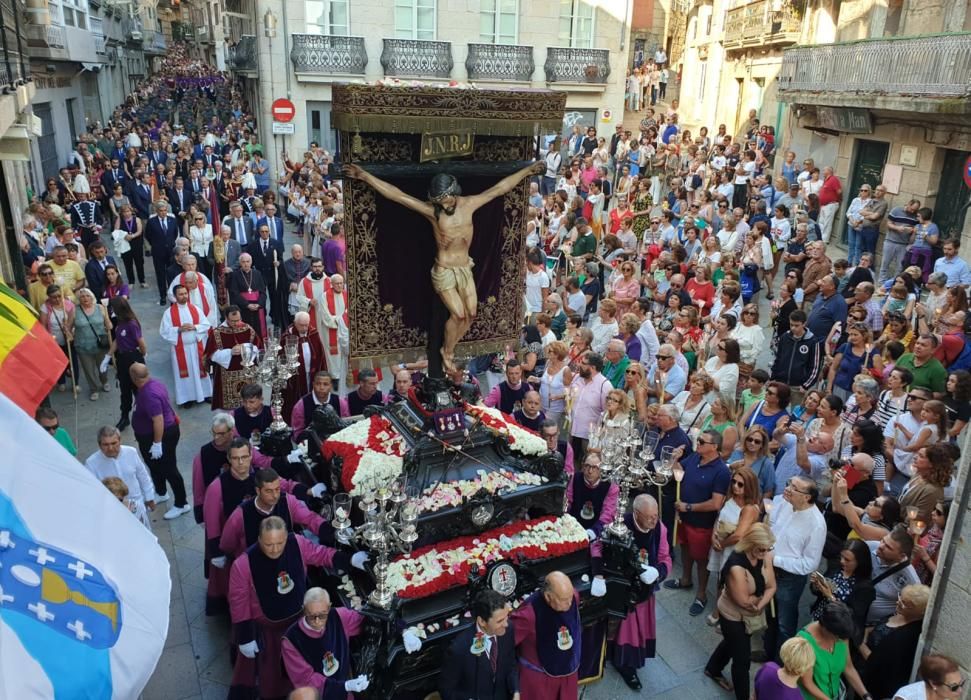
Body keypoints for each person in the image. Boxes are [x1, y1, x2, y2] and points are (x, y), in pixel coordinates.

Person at [343, 160, 545, 372]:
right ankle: (447, 351)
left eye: (446, 199)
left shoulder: (469, 203)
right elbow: (398, 196)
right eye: (438, 201)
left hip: (465, 268)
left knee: (472, 313)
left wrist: (527, 171)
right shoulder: (433, 212)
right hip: (444, 270)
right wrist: (365, 176)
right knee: (458, 314)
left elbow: (499, 189)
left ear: (454, 193)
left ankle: (451, 346)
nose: (443, 204)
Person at [227, 516, 366, 699]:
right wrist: (245, 637)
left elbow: (319, 554)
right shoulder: (243, 565)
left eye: (280, 543)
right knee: (272, 677)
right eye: (269, 544)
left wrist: (348, 560)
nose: (275, 549)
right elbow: (239, 601)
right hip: (270, 633)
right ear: (259, 539)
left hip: (302, 624)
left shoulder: (298, 544)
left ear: (287, 537)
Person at [593, 494, 671, 691]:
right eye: (649, 516)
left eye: (656, 515)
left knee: (635, 629)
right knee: (617, 627)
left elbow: (665, 558)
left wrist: (658, 572)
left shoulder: (660, 529)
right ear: (636, 514)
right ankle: (614, 659)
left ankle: (627, 663)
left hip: (643, 589)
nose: (654, 520)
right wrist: (598, 575)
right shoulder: (619, 524)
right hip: (620, 586)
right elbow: (596, 546)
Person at [704, 523, 777, 699]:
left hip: (751, 614)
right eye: (761, 549)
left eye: (768, 549)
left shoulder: (764, 554)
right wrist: (761, 599)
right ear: (751, 543)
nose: (765, 553)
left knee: (732, 642)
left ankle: (712, 668)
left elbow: (773, 586)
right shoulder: (736, 566)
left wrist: (758, 605)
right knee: (742, 660)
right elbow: (744, 601)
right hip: (733, 616)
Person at [664, 430, 731, 617]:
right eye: (698, 439)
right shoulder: (694, 458)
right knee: (685, 549)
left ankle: (701, 594)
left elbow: (716, 503)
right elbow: (679, 472)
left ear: (714, 447)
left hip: (702, 523)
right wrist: (675, 459)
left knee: (701, 559)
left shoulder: (721, 472)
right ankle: (686, 579)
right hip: (685, 518)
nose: (698, 443)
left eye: (702, 441)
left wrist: (689, 507)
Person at [761, 474, 826, 662]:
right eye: (789, 483)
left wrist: (776, 560)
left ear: (807, 497)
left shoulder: (816, 524)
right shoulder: (784, 502)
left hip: (788, 578)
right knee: (770, 615)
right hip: (769, 568)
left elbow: (810, 563)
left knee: (784, 621)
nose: (787, 488)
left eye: (794, 487)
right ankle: (768, 651)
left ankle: (779, 664)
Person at [281, 588, 376, 697]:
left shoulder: (339, 616)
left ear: (329, 607)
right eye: (311, 616)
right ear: (304, 610)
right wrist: (345, 686)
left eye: (322, 615)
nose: (317, 621)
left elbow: (365, 620)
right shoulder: (291, 641)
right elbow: (306, 680)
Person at [219, 466, 328, 558]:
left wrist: (328, 530)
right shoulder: (240, 514)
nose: (275, 495)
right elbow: (227, 545)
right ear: (258, 490)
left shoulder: (287, 501)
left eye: (277, 489)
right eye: (269, 491)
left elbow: (310, 518)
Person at [129, 362, 191, 520]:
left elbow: (158, 420)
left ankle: (181, 503)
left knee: (169, 468)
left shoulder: (149, 394)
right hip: (151, 436)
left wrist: (157, 444)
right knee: (154, 465)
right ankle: (161, 492)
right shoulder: (153, 383)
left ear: (134, 378)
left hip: (161, 436)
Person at [509, 571, 582, 700]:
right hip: (540, 679)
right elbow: (506, 641)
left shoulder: (573, 597)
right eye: (564, 600)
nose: (570, 603)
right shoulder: (528, 614)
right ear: (548, 597)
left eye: (570, 597)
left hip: (568, 672)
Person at [439, 589, 521, 700]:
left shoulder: (508, 629)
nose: (506, 624)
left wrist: (515, 691)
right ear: (482, 621)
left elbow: (511, 663)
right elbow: (447, 691)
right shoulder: (459, 648)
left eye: (507, 616)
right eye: (500, 621)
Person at [859, 583, 931, 700]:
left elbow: (877, 661)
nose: (898, 603)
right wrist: (865, 634)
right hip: (863, 669)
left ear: (919, 611)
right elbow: (874, 627)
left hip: (874, 684)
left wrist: (859, 643)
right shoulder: (899, 613)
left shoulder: (907, 636)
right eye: (899, 598)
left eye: (904, 604)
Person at [797, 601, 873, 700]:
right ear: (825, 628)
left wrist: (865, 695)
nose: (840, 641)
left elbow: (848, 668)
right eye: (837, 637)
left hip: (835, 695)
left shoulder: (841, 633)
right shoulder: (803, 642)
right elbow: (807, 683)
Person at [84, 425, 156, 529]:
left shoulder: (131, 452)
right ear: (99, 445)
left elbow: (143, 476)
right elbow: (91, 491)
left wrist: (149, 497)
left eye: (114, 443)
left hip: (137, 504)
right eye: (106, 444)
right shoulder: (91, 464)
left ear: (119, 440)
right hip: (113, 511)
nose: (110, 448)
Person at [159, 284, 213, 406]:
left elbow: (206, 325)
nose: (184, 296)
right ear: (175, 296)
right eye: (181, 294)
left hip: (196, 346)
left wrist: (195, 327)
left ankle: (205, 394)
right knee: (184, 375)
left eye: (185, 293)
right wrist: (178, 329)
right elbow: (164, 331)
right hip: (180, 349)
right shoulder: (169, 313)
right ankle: (187, 398)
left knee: (201, 370)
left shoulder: (195, 309)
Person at [204, 305, 262, 411]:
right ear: (226, 318)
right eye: (233, 321)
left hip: (246, 372)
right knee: (229, 411)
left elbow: (257, 347)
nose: (236, 323)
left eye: (238, 320)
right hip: (226, 374)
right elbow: (212, 355)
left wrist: (244, 348)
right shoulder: (217, 333)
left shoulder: (248, 329)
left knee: (249, 402)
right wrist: (230, 352)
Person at [866, 524, 921, 625]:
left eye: (888, 547)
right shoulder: (869, 547)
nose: (881, 546)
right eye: (883, 540)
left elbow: (914, 613)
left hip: (869, 626)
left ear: (902, 556)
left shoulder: (911, 581)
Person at [109, 297, 147, 431]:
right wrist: (108, 355)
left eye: (112, 307)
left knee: (139, 389)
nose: (111, 310)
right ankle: (124, 416)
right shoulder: (119, 322)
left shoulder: (132, 323)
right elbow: (117, 341)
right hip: (122, 358)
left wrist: (142, 355)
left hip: (133, 357)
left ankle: (144, 414)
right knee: (124, 390)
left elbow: (141, 342)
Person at [568, 352, 612, 459]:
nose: (579, 365)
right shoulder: (577, 378)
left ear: (592, 367)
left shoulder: (605, 386)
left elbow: (607, 413)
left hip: (587, 436)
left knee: (585, 465)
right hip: (570, 430)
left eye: (583, 363)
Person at [565, 453, 619, 540]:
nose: (590, 471)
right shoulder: (575, 478)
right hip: (572, 526)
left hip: (596, 531)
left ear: (602, 469)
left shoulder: (610, 486)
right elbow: (568, 501)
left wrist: (593, 532)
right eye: (587, 466)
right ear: (583, 466)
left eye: (595, 467)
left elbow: (608, 514)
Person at [73, 288, 112, 401]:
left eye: (87, 296)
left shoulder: (100, 307)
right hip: (82, 345)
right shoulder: (74, 310)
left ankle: (104, 381)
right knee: (88, 370)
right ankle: (93, 389)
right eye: (82, 297)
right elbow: (69, 326)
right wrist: (68, 331)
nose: (85, 298)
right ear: (79, 299)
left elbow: (108, 324)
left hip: (100, 344)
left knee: (102, 366)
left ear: (92, 297)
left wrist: (109, 325)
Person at [228, 252, 269, 340]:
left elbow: (263, 291)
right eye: (243, 262)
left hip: (258, 307)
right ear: (240, 263)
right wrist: (247, 304)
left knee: (259, 331)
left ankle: (260, 347)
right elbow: (234, 293)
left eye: (248, 261)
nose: (246, 264)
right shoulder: (235, 275)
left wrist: (259, 304)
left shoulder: (257, 273)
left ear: (251, 262)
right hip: (243, 307)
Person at [320, 274, 349, 388]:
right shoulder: (324, 296)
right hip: (331, 329)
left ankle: (345, 374)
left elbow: (349, 311)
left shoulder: (347, 295)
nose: (340, 285)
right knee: (333, 353)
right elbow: (325, 315)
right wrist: (339, 320)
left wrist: (342, 321)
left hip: (345, 329)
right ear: (331, 284)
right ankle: (335, 377)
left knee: (344, 350)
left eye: (341, 283)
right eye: (337, 283)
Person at [893, 654, 966, 700]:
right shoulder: (907, 697)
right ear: (933, 684)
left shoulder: (952, 696)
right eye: (954, 687)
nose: (960, 690)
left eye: (962, 683)